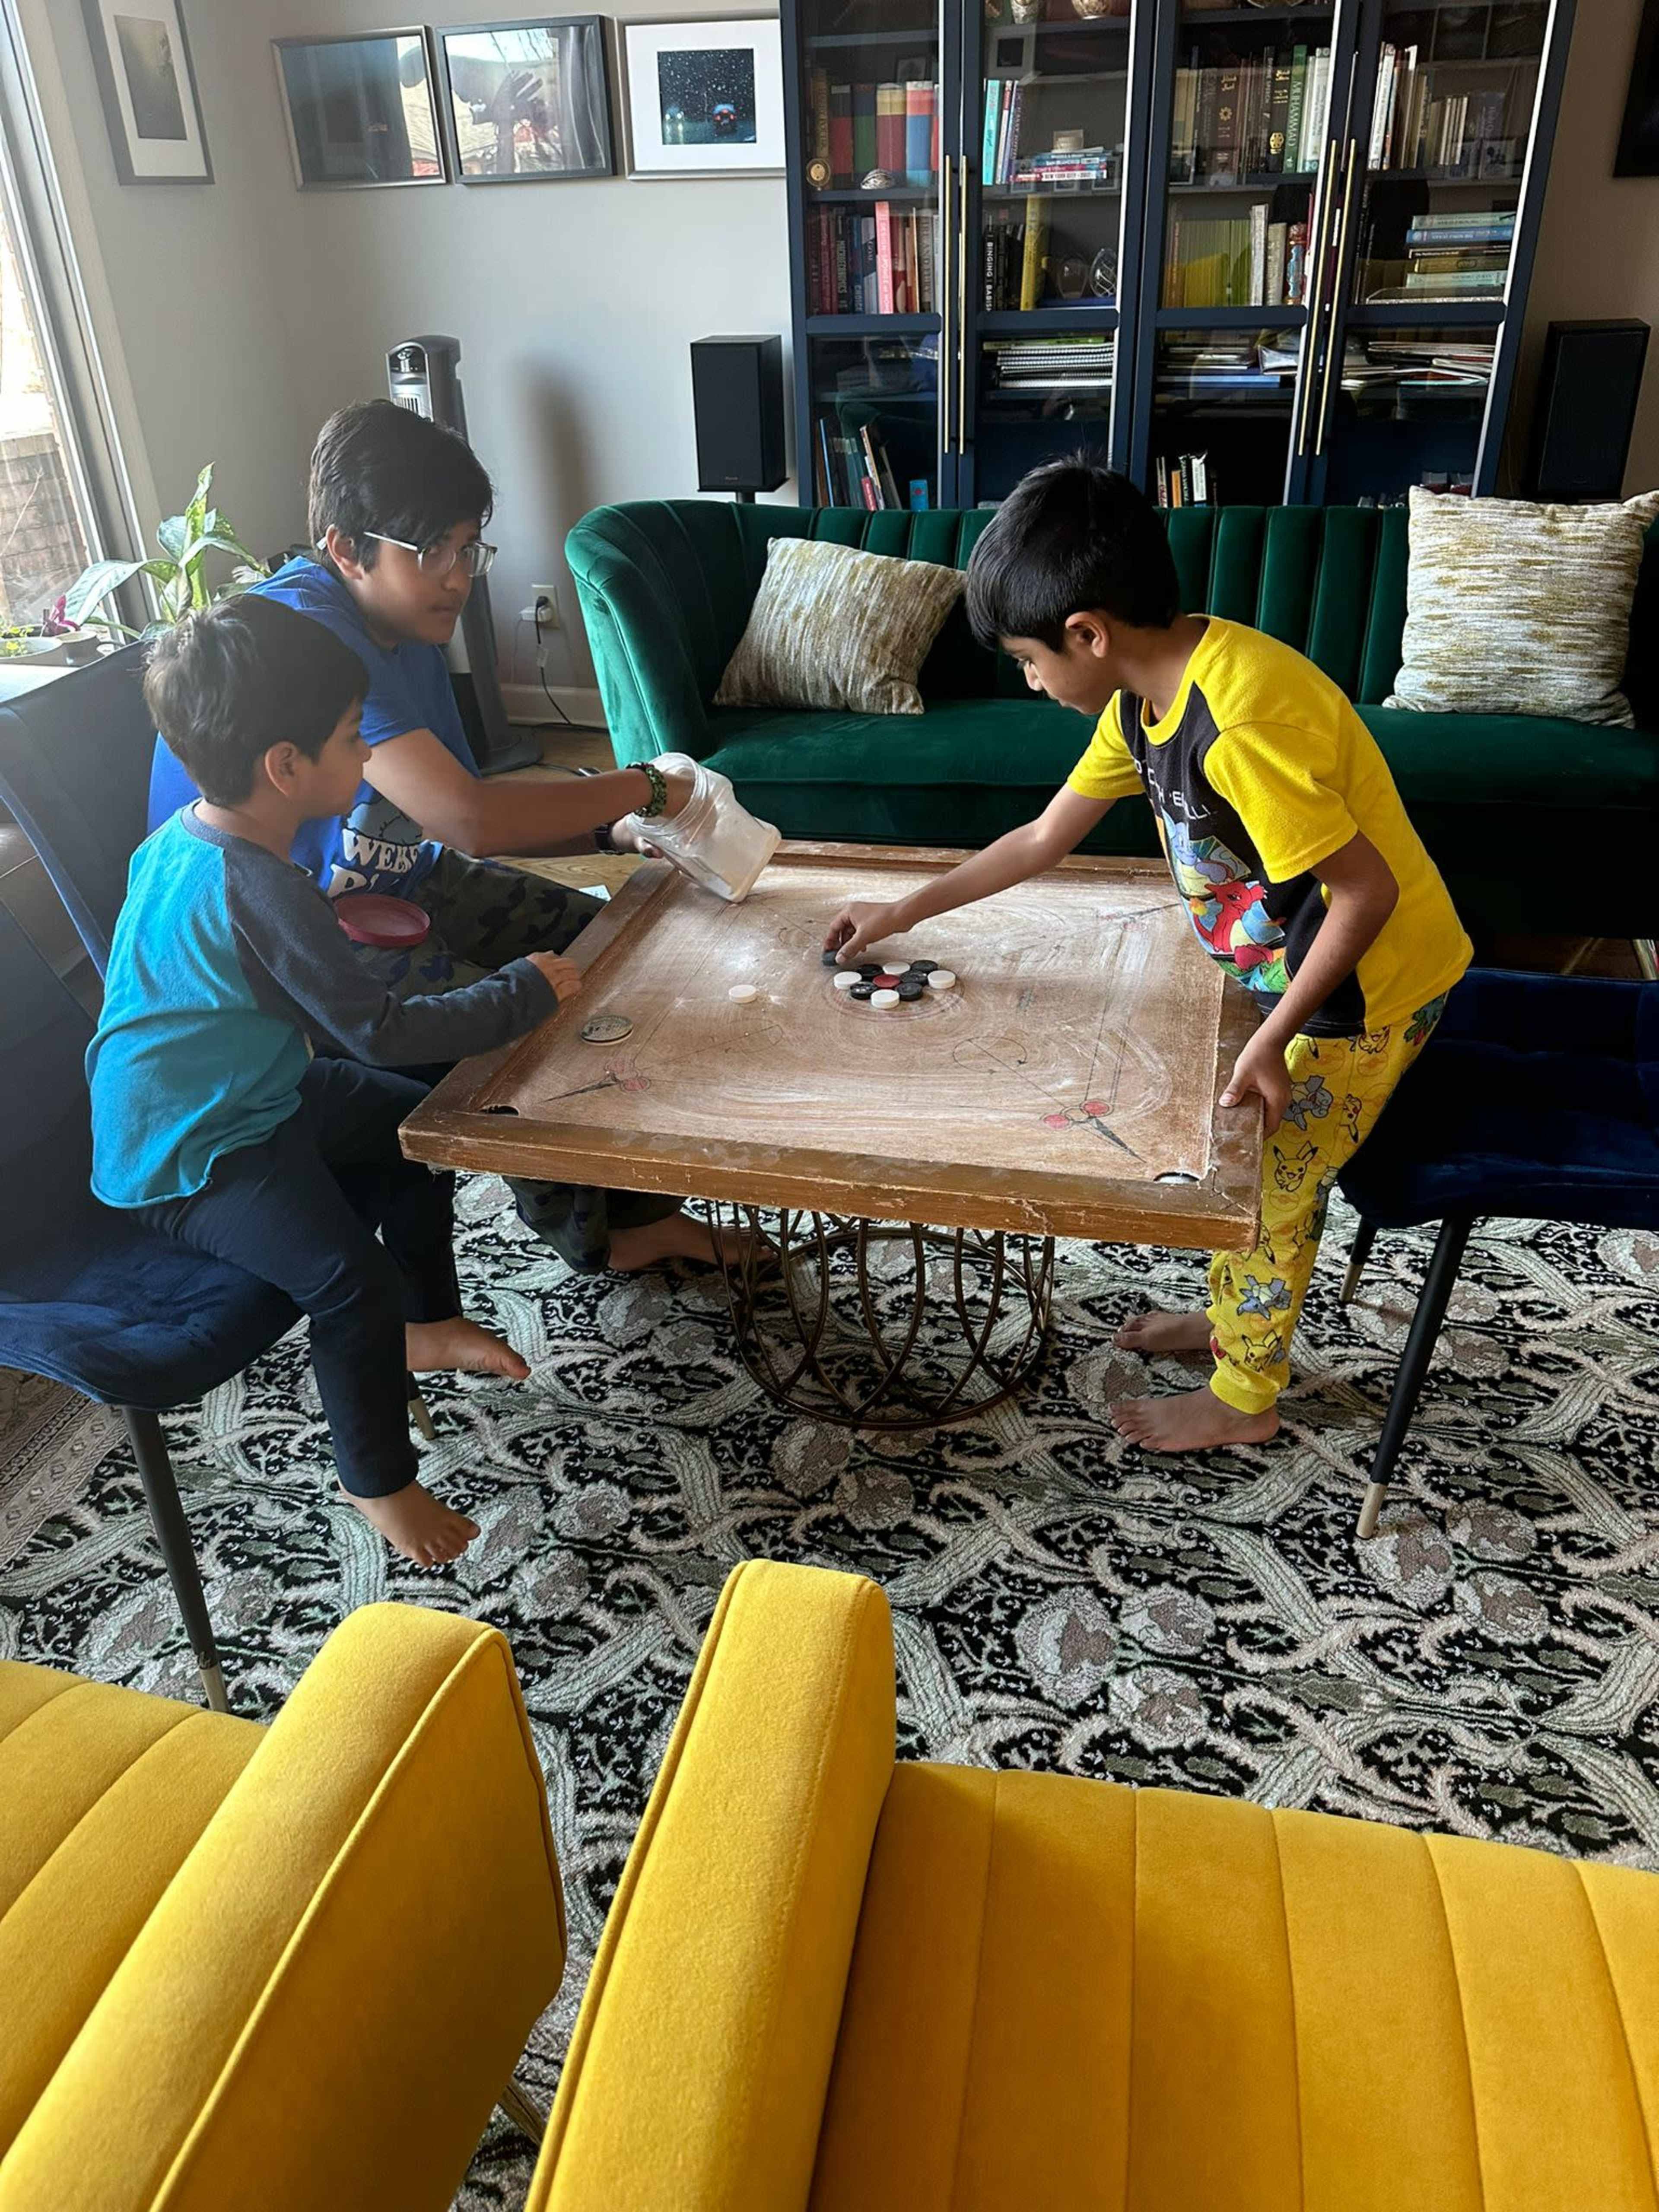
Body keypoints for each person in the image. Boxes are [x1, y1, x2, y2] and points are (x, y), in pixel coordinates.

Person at [824, 460, 1472, 1452]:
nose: (1032, 684)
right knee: (1235, 1161)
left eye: (1030, 663)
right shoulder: (1142, 694)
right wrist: (903, 909)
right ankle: (1227, 1323)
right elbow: (1042, 839)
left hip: (1364, 992)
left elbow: (1367, 892)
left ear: (1089, 632)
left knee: (1265, 1186)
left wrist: (1280, 1034)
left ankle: (1245, 1398)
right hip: (1288, 973)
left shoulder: (1239, 722)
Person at [147, 397, 725, 1276]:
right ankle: (600, 1236)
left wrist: (608, 825)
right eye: (434, 552)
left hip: (384, 878)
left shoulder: (406, 623)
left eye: (467, 547)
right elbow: (469, 819)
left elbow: (457, 813)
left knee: (606, 947)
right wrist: (645, 783)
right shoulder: (310, 645)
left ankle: (634, 1189)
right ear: (346, 548)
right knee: (522, 1016)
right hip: (282, 938)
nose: (460, 575)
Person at [94, 595, 581, 1566]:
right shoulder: (257, 884)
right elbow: (378, 1030)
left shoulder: (197, 838)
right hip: (193, 1152)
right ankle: (378, 1481)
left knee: (419, 1136)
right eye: (354, 738)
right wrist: (524, 991)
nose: (367, 757)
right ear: (286, 767)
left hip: (249, 1089)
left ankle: (429, 1319)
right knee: (350, 1283)